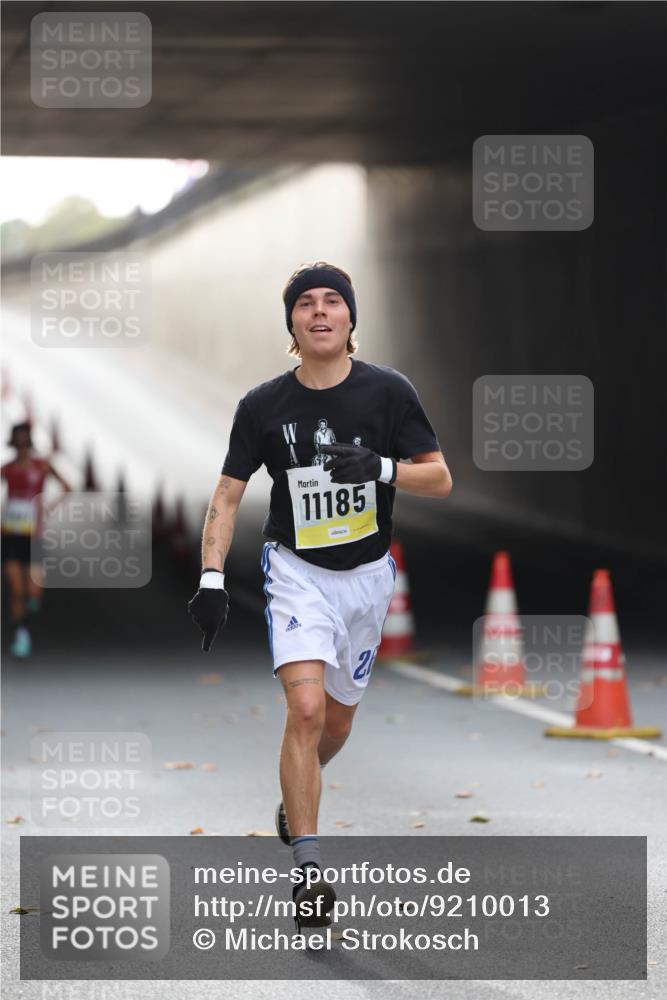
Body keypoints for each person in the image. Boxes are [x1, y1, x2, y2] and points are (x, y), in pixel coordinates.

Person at [188, 261, 452, 930]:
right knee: (304, 711)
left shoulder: (388, 391)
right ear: (293, 324)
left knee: (334, 726)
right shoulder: (263, 405)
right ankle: (308, 872)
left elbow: (440, 479)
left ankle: (295, 792)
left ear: (350, 318)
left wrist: (382, 468)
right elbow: (227, 496)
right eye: (305, 303)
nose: (319, 311)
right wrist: (212, 578)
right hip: (297, 571)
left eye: (333, 300)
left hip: (366, 579)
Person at [1, 422, 71, 658]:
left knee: (34, 591)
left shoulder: (42, 466)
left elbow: (67, 486)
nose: (21, 447)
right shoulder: (7, 469)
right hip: (11, 535)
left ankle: (25, 615)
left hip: (35, 536)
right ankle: (21, 633)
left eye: (24, 442)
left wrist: (50, 507)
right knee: (16, 588)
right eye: (17, 442)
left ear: (29, 442)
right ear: (13, 443)